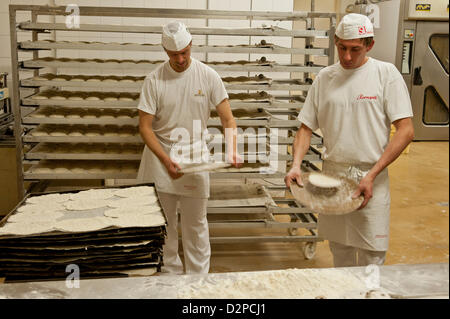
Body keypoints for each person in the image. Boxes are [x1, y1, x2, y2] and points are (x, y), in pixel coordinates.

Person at [285, 14, 414, 267]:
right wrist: (296, 164)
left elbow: (406, 131)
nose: (346, 57)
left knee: (371, 257)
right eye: (341, 48)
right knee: (340, 251)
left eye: (355, 49)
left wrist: (372, 174)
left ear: (369, 45)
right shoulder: (325, 78)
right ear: (335, 41)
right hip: (332, 178)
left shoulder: (385, 75)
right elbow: (305, 127)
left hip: (370, 179)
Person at [137, 21, 241, 274]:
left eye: (185, 52)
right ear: (165, 51)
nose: (181, 59)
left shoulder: (207, 76)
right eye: (174, 54)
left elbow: (228, 119)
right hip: (162, 159)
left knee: (196, 224)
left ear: (191, 45)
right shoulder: (154, 80)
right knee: (166, 224)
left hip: (195, 158)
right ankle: (171, 278)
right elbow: (145, 127)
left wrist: (232, 149)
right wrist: (165, 160)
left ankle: (198, 281)